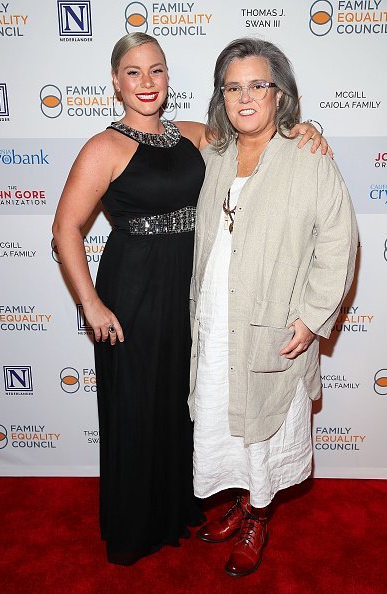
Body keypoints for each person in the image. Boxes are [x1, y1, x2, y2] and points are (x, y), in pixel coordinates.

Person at [52, 32, 328, 566]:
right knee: (136, 408)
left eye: (156, 70)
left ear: (168, 76)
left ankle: (180, 506)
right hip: (131, 293)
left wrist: (304, 129)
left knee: (182, 407)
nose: (147, 82)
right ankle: (137, 526)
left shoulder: (195, 134)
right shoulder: (103, 147)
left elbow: (258, 136)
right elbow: (65, 229)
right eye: (133, 72)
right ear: (115, 81)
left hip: (191, 293)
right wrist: (90, 303)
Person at [190, 37, 358, 577]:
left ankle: (259, 515)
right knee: (226, 420)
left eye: (256, 85)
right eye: (232, 87)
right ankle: (242, 500)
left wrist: (311, 319)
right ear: (221, 96)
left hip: (274, 325)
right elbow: (156, 132)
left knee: (264, 429)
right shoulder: (213, 154)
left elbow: (339, 242)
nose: (244, 98)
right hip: (216, 322)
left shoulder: (307, 156)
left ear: (279, 94)